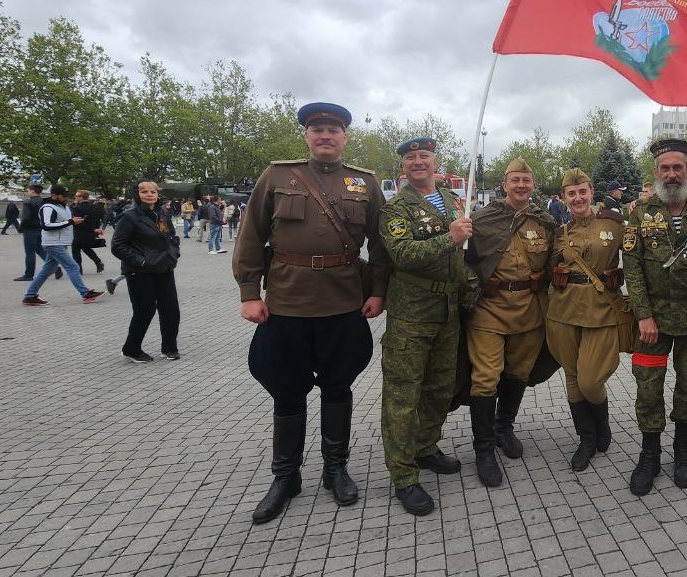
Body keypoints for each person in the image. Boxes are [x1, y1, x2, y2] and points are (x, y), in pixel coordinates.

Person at [233, 102, 389, 525]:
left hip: (343, 302)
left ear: (345, 137)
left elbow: (379, 245)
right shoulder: (277, 176)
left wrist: (378, 292)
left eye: (333, 130)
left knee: (338, 387)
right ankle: (286, 476)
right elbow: (251, 235)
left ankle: (335, 469)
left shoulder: (365, 183)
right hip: (286, 302)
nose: (325, 135)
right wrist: (250, 292)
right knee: (287, 390)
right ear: (306, 134)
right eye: (318, 129)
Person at [623, 139, 687, 495]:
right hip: (652, 323)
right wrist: (643, 315)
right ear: (655, 172)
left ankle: (683, 451)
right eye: (664, 168)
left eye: (677, 167)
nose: (671, 174)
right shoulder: (640, 211)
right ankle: (649, 454)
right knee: (647, 386)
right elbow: (632, 268)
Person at [379, 136, 472, 516]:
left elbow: (460, 257)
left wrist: (470, 287)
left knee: (439, 387)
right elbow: (402, 254)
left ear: (434, 161)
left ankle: (426, 446)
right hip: (411, 314)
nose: (418, 162)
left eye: (424, 156)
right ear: (403, 166)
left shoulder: (451, 201)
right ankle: (403, 475)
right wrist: (450, 237)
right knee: (403, 395)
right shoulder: (395, 208)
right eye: (410, 158)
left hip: (447, 310)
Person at [463, 157, 558, 487]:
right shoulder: (481, 219)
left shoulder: (544, 222)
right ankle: (483, 449)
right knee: (486, 377)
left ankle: (504, 427)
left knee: (518, 372)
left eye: (526, 180)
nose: (520, 185)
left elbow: (556, 261)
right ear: (504, 184)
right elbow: (463, 260)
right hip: (489, 310)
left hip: (529, 311)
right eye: (515, 179)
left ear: (533, 186)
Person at [546, 168, 625, 472]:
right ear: (564, 198)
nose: (577, 198)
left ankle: (602, 426)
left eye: (582, 191)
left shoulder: (614, 224)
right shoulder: (559, 231)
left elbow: (636, 258)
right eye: (571, 193)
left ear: (592, 191)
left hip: (602, 310)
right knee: (572, 375)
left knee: (590, 380)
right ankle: (587, 438)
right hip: (563, 312)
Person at [111, 181, 182, 363]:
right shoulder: (129, 217)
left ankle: (169, 347)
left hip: (164, 267)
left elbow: (172, 237)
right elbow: (118, 245)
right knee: (144, 310)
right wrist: (141, 261)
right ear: (137, 194)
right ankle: (131, 349)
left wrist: (173, 254)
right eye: (144, 192)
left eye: (153, 192)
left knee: (171, 309)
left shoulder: (162, 214)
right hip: (140, 271)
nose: (150, 194)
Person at [20, 185, 104, 306]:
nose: (66, 197)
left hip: (59, 243)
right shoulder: (48, 207)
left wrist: (77, 223)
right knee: (73, 267)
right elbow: (46, 225)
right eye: (63, 195)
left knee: (47, 270)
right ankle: (85, 293)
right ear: (54, 195)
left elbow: (66, 223)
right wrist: (70, 221)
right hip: (53, 243)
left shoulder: (63, 207)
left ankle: (29, 296)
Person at [13, 185, 47, 281]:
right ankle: (55, 267)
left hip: (30, 229)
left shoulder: (28, 202)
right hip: (41, 229)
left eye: (28, 190)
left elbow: (26, 218)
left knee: (30, 252)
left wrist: (20, 228)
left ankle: (28, 274)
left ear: (32, 191)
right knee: (40, 250)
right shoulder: (43, 202)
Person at [71, 190, 106, 273]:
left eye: (76, 196)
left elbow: (78, 223)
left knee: (75, 249)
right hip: (91, 233)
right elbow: (98, 219)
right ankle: (98, 262)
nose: (75, 197)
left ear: (81, 197)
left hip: (80, 232)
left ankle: (79, 269)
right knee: (86, 247)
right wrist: (96, 229)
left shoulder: (78, 208)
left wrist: (93, 229)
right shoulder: (94, 207)